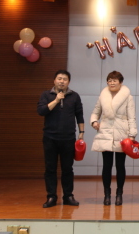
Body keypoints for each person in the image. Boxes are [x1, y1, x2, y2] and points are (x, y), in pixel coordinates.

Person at [36, 69, 84, 208]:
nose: (62, 81)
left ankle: (68, 196)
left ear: (69, 82)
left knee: (67, 168)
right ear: (54, 80)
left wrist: (81, 132)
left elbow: (79, 115)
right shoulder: (46, 95)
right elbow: (41, 111)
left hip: (68, 138)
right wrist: (56, 100)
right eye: (59, 78)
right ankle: (51, 196)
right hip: (50, 137)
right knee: (50, 169)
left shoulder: (74, 96)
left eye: (65, 79)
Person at [90, 71, 137, 206]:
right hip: (105, 132)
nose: (111, 83)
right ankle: (107, 195)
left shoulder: (127, 97)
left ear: (120, 82)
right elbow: (96, 112)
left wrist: (132, 134)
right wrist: (94, 121)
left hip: (122, 133)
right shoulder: (103, 95)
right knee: (107, 165)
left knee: (120, 165)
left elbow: (131, 117)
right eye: (109, 80)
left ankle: (119, 194)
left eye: (114, 80)